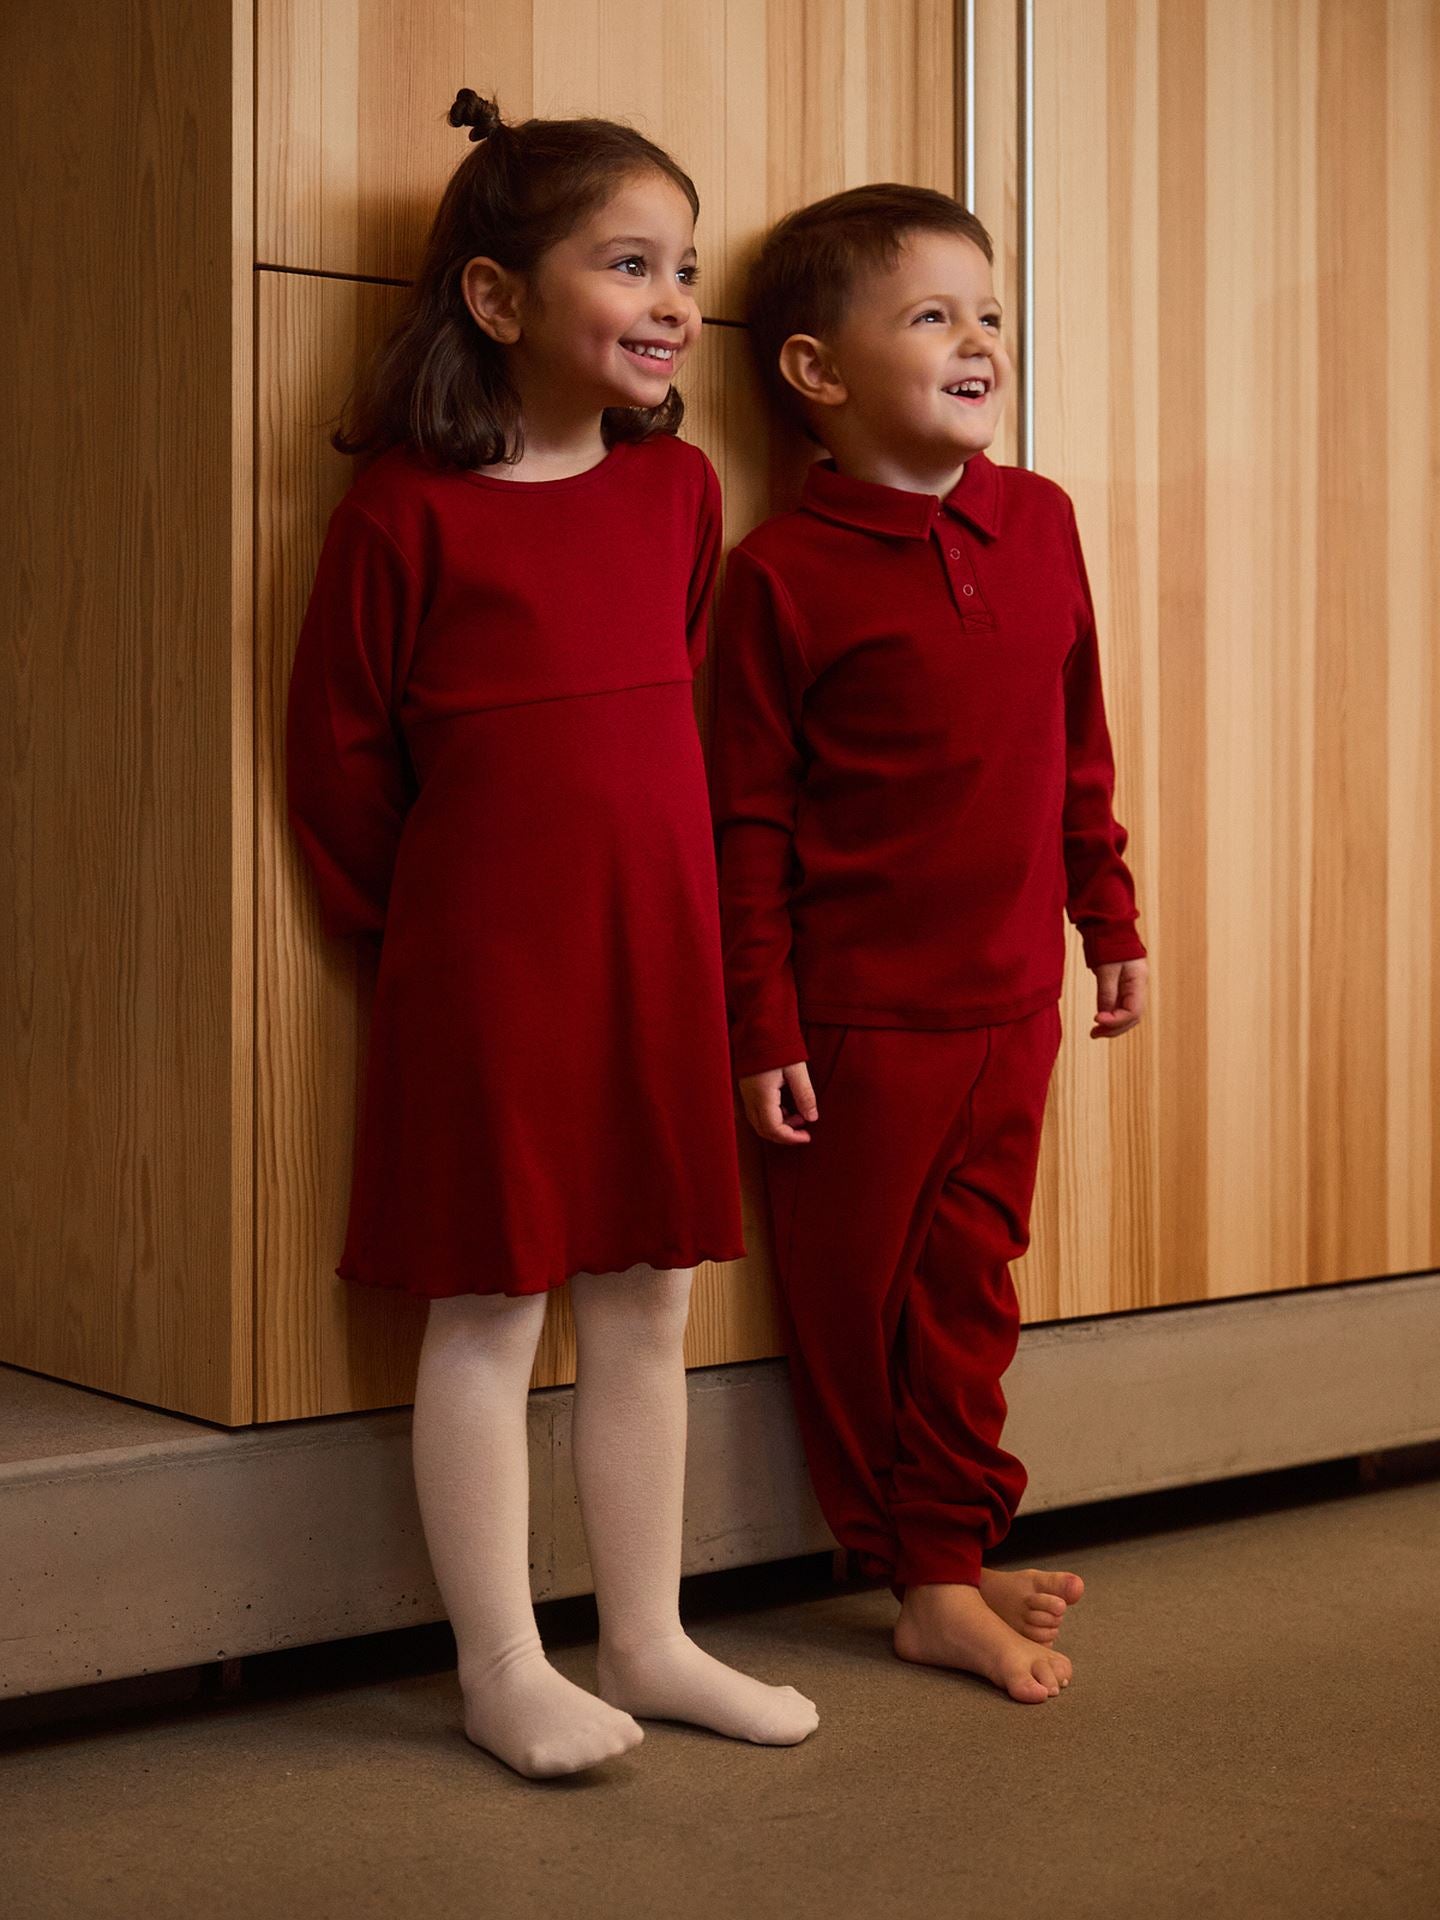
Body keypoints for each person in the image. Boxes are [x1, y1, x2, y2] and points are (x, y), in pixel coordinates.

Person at [285, 87, 818, 1778]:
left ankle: (648, 1637)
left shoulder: (680, 495)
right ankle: (502, 1665)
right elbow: (340, 765)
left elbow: (675, 709)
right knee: (491, 1309)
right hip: (486, 973)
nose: (673, 303)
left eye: (684, 269)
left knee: (651, 1294)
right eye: (629, 265)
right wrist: (439, 934)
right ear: (500, 298)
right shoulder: (403, 514)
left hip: (651, 955)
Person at [709, 183, 1149, 1705]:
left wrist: (1110, 912)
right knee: (855, 1316)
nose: (977, 340)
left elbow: (1075, 740)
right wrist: (761, 1025)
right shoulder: (777, 577)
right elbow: (747, 826)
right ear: (817, 374)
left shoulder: (1040, 521)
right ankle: (921, 1574)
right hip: (855, 1030)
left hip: (1014, 1001)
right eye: (931, 315)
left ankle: (947, 1550)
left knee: (973, 1286)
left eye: (989, 314)